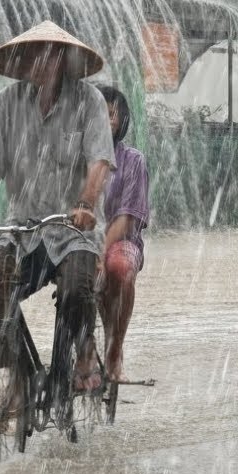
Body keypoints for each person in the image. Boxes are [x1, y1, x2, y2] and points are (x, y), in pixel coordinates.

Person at [0, 21, 115, 396]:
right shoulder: (5, 104)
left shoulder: (89, 101)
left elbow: (100, 162)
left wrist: (86, 204)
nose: (33, 62)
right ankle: (19, 374)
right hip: (22, 229)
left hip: (74, 230)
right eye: (27, 55)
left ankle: (84, 348)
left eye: (42, 54)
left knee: (76, 291)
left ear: (60, 58)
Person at [94, 85, 148, 383]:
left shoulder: (133, 161)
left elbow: (127, 218)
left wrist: (101, 249)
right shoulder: (78, 157)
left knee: (119, 268)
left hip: (122, 241)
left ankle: (115, 350)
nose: (104, 120)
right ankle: (81, 352)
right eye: (97, 113)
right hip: (83, 239)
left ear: (122, 119)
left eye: (111, 114)